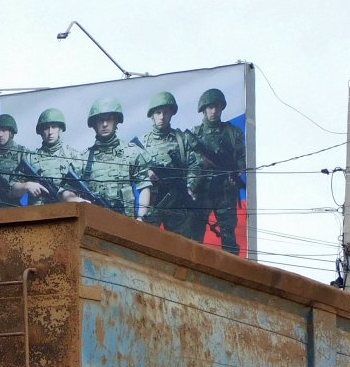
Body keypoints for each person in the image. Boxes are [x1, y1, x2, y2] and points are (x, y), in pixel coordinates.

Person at [136, 91, 202, 240]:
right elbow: (134, 169)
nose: (162, 117)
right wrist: (146, 172)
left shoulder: (182, 140)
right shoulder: (143, 143)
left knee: (180, 245)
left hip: (177, 203)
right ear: (152, 115)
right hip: (153, 201)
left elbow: (195, 165)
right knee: (145, 241)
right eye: (158, 112)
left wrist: (190, 187)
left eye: (166, 112)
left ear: (171, 114)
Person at [188, 88, 247, 253]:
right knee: (195, 236)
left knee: (229, 238)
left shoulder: (233, 133)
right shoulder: (195, 134)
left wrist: (237, 172)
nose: (214, 111)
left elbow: (242, 157)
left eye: (217, 107)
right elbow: (189, 162)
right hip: (202, 191)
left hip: (226, 191)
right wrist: (201, 164)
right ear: (204, 109)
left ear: (222, 108)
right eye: (210, 107)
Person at [77, 98, 146, 218]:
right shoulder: (83, 159)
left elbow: (144, 186)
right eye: (100, 120)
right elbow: (65, 191)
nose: (105, 124)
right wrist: (78, 201)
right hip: (93, 223)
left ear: (116, 121)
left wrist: (141, 218)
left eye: (109, 119)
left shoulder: (132, 152)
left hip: (127, 222)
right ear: (94, 123)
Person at [14, 108, 80, 203]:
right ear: (41, 131)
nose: (50, 132)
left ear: (60, 129)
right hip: (38, 211)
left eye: (54, 127)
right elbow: (12, 189)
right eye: (46, 128)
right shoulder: (30, 158)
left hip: (67, 210)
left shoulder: (74, 156)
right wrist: (26, 186)